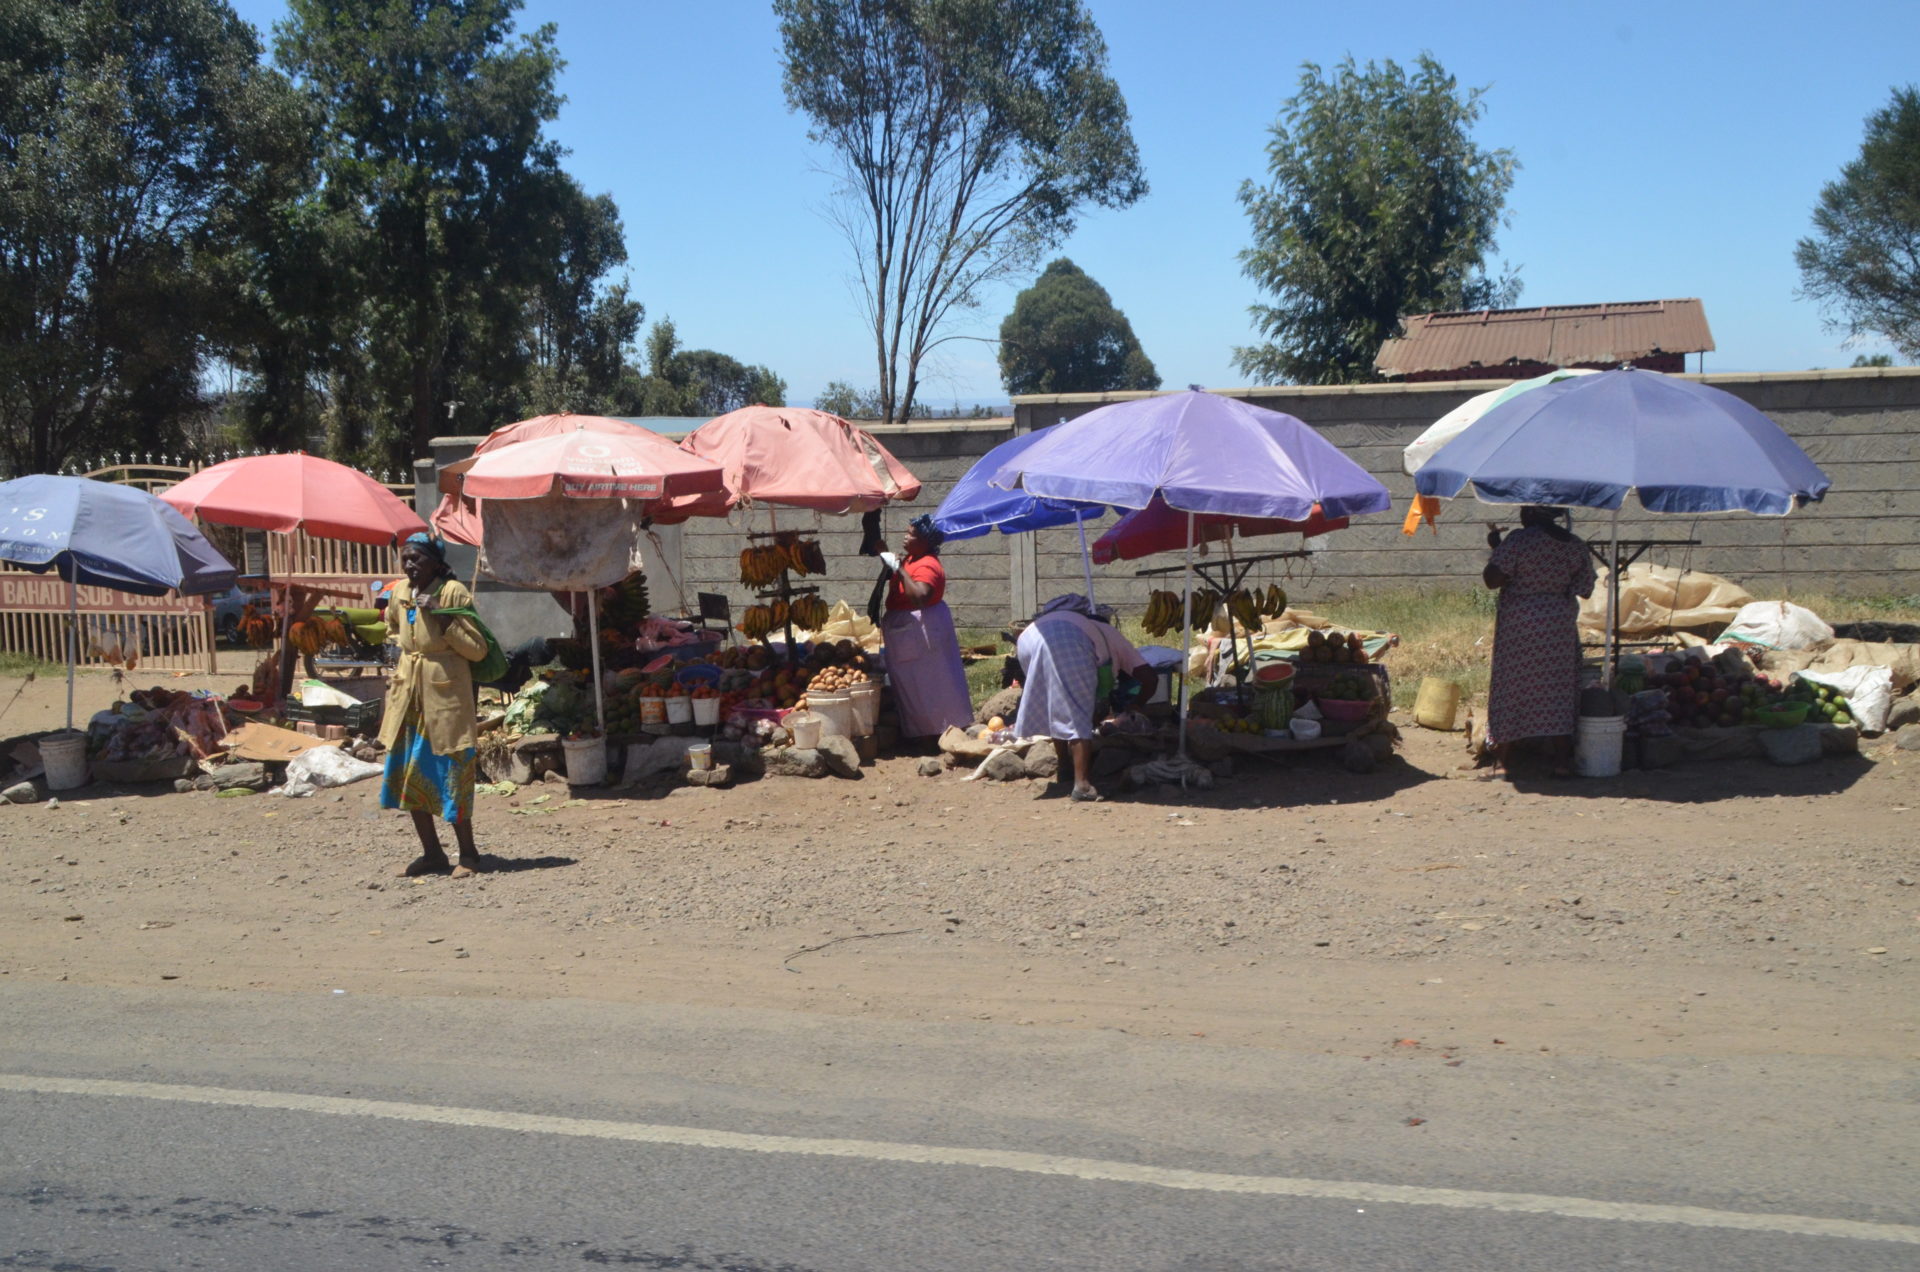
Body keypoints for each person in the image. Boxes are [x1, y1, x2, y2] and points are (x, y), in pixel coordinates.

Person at [380, 533, 488, 877]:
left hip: (445, 698)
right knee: (409, 774)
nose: (410, 565)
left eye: (418, 559)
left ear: (436, 563)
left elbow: (477, 649)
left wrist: (443, 618)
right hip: (409, 695)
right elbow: (392, 628)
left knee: (451, 772)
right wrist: (401, 649)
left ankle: (468, 854)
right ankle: (432, 854)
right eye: (406, 558)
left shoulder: (453, 593)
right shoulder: (399, 592)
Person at [1482, 505, 1597, 777]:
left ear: (1533, 513)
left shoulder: (1520, 539)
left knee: (1513, 687)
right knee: (1556, 691)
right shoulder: (1575, 545)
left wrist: (1497, 549)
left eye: (1523, 510)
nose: (1521, 515)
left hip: (1520, 627)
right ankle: (1561, 762)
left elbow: (1492, 579)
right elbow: (1585, 589)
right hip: (1558, 627)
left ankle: (1502, 762)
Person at [1013, 595, 1158, 802]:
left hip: (1028, 640)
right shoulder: (1105, 631)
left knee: (1057, 705)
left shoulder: (1051, 622)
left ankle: (1064, 768)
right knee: (1077, 711)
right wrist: (1136, 705)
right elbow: (1149, 678)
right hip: (1069, 642)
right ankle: (1082, 784)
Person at [875, 515, 973, 741]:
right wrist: (886, 556)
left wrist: (899, 569)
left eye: (912, 535)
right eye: (907, 532)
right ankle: (925, 731)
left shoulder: (927, 564)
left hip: (919, 631)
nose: (905, 537)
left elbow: (920, 596)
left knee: (927, 684)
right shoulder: (912, 559)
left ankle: (932, 734)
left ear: (926, 542)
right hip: (909, 632)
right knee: (915, 683)